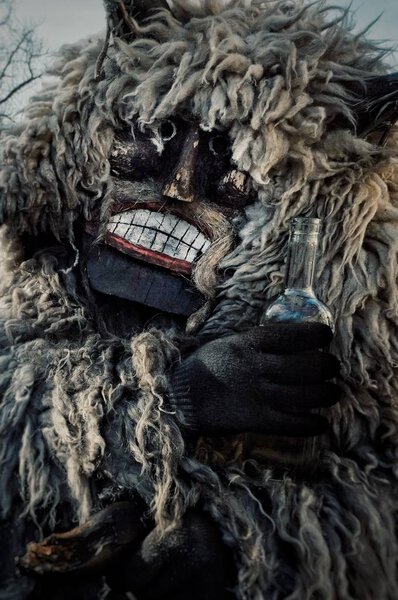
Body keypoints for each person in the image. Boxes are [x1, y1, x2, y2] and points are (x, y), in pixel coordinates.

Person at [0, 1, 397, 598]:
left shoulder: (342, 370)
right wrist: (173, 396)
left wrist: (249, 547)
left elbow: (372, 496)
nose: (180, 185)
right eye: (152, 140)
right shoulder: (18, 305)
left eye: (230, 169)